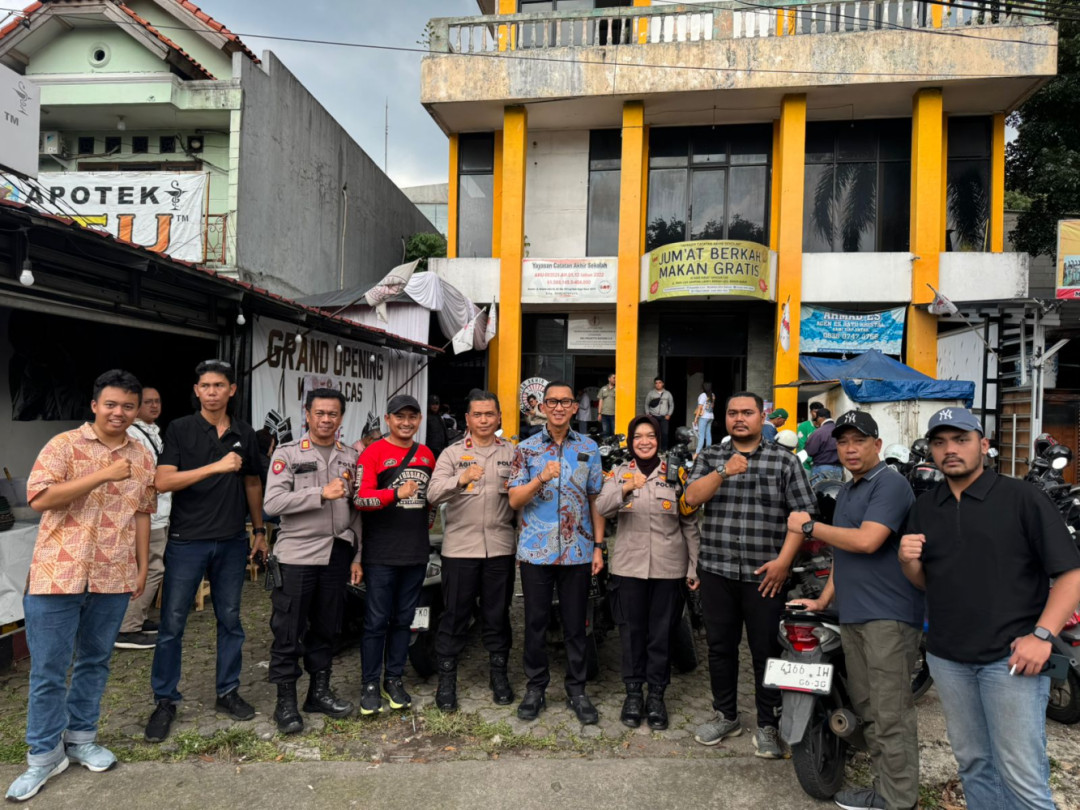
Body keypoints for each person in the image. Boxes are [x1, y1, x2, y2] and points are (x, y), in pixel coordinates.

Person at [899, 407, 1080, 810]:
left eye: (961, 440)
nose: (950, 450)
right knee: (974, 764)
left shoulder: (1022, 498)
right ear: (930, 450)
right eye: (940, 442)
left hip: (1011, 659)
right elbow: (929, 583)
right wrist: (909, 563)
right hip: (947, 658)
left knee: (1022, 775)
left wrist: (1042, 636)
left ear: (984, 445)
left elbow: (1071, 575)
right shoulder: (926, 507)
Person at [6, 370, 155, 802]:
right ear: (94, 404)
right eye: (111, 404)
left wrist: (142, 566)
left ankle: (81, 739)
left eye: (128, 406)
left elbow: (143, 512)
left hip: (112, 574)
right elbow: (39, 499)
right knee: (49, 670)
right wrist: (103, 475)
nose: (119, 413)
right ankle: (43, 756)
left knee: (95, 662)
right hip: (57, 575)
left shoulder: (142, 455)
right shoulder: (63, 445)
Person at [787, 411, 920, 810]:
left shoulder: (890, 484)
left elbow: (866, 541)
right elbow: (843, 554)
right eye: (843, 442)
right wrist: (824, 600)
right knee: (866, 708)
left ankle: (899, 800)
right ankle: (885, 788)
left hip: (889, 616)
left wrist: (809, 527)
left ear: (877, 445)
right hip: (854, 614)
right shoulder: (848, 491)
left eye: (858, 441)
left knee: (889, 711)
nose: (849, 449)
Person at [684, 391, 816, 759]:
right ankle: (726, 715)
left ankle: (768, 724)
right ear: (724, 419)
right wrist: (724, 471)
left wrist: (783, 563)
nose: (739, 418)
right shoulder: (711, 456)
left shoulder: (785, 461)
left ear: (762, 417)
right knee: (720, 647)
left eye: (747, 412)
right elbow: (691, 498)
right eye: (732, 413)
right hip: (717, 570)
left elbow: (804, 518)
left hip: (766, 575)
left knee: (766, 650)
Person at [144, 359, 267, 744]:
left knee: (230, 620)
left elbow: (251, 483)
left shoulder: (244, 432)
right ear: (196, 391)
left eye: (219, 385)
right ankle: (165, 700)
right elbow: (163, 481)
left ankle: (227, 692)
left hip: (231, 541)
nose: (212, 391)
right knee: (172, 625)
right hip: (187, 541)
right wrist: (214, 467)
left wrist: (259, 529)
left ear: (232, 390)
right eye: (205, 386)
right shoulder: (180, 429)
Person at [263, 388, 363, 734]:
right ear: (306, 414)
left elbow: (356, 510)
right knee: (288, 630)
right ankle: (286, 703)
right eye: (319, 413)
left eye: (332, 414)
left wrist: (358, 554)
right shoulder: (288, 454)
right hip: (297, 554)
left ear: (341, 418)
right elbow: (272, 504)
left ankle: (318, 693)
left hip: (337, 552)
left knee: (327, 627)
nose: (325, 420)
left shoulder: (350, 456)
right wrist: (319, 492)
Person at [508, 380, 605, 725]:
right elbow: (515, 500)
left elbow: (596, 499)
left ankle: (577, 690)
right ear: (542, 407)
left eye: (566, 402)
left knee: (576, 625)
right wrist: (541, 480)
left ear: (575, 408)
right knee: (534, 623)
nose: (560, 407)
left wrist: (598, 546)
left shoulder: (590, 448)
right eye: (553, 402)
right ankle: (535, 688)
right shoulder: (527, 449)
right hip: (536, 551)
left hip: (578, 552)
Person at [597, 415, 699, 731]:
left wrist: (694, 567)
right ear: (630, 440)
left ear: (659, 439)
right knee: (631, 632)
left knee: (661, 634)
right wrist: (627, 487)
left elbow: (690, 524)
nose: (644, 441)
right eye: (638, 436)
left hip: (669, 569)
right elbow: (602, 508)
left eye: (651, 435)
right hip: (629, 568)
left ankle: (656, 695)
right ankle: (632, 694)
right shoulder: (618, 473)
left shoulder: (676, 474)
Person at [427, 390, 517, 711]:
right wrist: (460, 479)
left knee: (497, 615)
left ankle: (499, 676)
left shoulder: (512, 453)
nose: (483, 420)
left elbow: (521, 499)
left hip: (500, 549)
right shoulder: (451, 455)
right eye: (477, 415)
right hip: (460, 550)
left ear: (499, 418)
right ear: (467, 419)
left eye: (489, 414)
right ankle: (447, 682)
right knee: (454, 616)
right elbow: (433, 494)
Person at [353, 394, 436, 715]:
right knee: (376, 621)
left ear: (419, 420)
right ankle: (370, 684)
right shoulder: (373, 453)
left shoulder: (427, 454)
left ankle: (395, 679)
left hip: (415, 552)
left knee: (405, 620)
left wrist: (422, 528)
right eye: (399, 417)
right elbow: (360, 499)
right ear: (387, 419)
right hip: (381, 553)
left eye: (412, 417)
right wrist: (394, 494)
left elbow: (430, 506)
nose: (406, 422)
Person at [114, 386, 171, 650]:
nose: (154, 406)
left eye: (157, 401)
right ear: (136, 407)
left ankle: (138, 617)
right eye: (148, 402)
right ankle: (127, 627)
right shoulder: (133, 434)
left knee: (148, 567)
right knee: (152, 567)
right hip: (147, 512)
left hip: (159, 509)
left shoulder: (151, 431)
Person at [805, 407, 842, 485]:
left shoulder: (818, 432)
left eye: (817, 419)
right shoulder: (840, 430)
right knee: (834, 493)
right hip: (838, 468)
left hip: (821, 468)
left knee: (819, 494)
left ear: (821, 418)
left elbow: (810, 451)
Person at [645, 377, 675, 450]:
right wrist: (648, 414)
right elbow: (646, 404)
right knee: (654, 434)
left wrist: (669, 414)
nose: (658, 384)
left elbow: (671, 405)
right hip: (653, 417)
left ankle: (664, 451)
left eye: (659, 383)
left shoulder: (667, 394)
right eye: (656, 383)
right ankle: (654, 450)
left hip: (664, 417)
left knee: (665, 434)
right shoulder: (651, 393)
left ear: (663, 384)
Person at [797, 401, 823, 471]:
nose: (817, 414)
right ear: (811, 412)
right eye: (815, 412)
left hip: (820, 465)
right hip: (805, 466)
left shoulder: (824, 426)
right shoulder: (804, 426)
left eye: (819, 412)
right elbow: (801, 446)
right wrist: (811, 461)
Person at [693, 382, 716, 458]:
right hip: (711, 416)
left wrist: (696, 418)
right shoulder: (712, 395)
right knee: (708, 434)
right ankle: (708, 452)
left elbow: (700, 407)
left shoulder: (703, 395)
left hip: (704, 417)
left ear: (703, 388)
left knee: (701, 435)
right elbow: (712, 406)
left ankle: (697, 453)